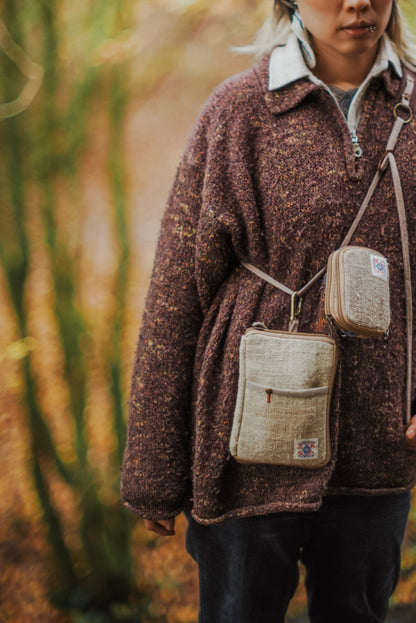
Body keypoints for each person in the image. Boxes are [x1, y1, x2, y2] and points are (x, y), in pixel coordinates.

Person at [121, 1, 416, 621]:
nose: (357, 1)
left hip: (379, 444)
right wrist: (153, 463)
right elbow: (176, 293)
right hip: (245, 439)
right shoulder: (238, 111)